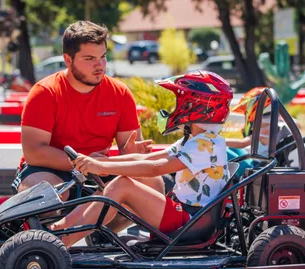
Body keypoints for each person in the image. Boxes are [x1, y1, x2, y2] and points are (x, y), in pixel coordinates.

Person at [49, 71, 233, 248]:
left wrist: (100, 166)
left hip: (189, 221)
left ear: (196, 106)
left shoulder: (206, 145)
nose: (176, 108)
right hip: (185, 214)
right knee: (124, 182)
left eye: (180, 102)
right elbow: (146, 158)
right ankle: (61, 226)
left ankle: (64, 241)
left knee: (121, 185)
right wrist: (99, 163)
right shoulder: (196, 140)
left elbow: (156, 168)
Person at [12, 20, 164, 202]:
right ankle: (56, 230)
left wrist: (128, 153)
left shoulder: (119, 92)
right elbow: (34, 152)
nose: (99, 65)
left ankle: (101, 230)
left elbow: (129, 148)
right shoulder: (45, 92)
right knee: (51, 193)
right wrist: (84, 162)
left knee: (152, 183)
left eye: (103, 56)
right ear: (68, 60)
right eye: (90, 58)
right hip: (49, 170)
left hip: (99, 171)